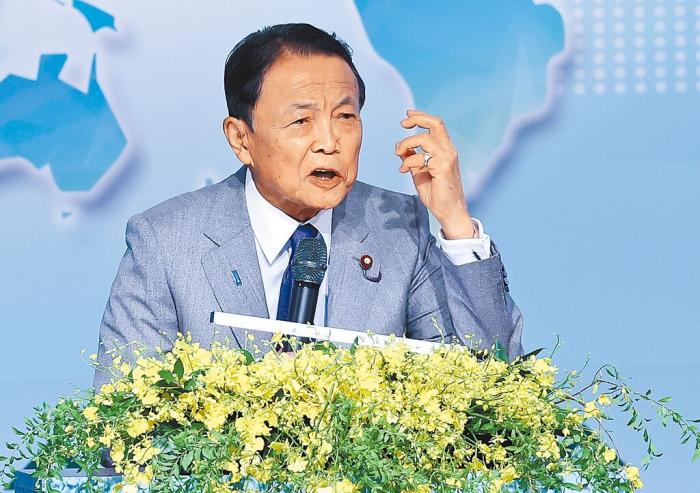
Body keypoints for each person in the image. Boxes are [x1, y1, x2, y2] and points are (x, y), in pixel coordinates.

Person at [93, 23, 522, 387]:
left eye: (345, 117)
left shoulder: (399, 227)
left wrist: (455, 223)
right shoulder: (165, 242)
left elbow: (486, 392)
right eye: (301, 121)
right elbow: (126, 420)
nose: (329, 142)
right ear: (241, 139)